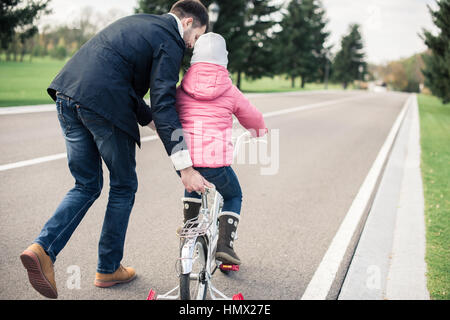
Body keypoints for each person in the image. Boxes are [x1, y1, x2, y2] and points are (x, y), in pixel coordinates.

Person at [20, 0, 211, 299]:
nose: (191, 46)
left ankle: (41, 249)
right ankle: (108, 267)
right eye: (196, 37)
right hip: (102, 104)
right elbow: (163, 103)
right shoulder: (172, 39)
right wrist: (185, 168)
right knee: (123, 185)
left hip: (67, 94)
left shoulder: (139, 24)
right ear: (187, 23)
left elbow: (122, 84)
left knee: (86, 184)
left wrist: (158, 129)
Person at [174, 32, 267, 265]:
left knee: (192, 183)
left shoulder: (181, 88)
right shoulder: (229, 90)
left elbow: (166, 111)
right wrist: (259, 132)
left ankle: (190, 228)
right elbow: (252, 117)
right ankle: (225, 245)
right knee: (233, 195)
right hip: (215, 163)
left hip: (185, 161)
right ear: (224, 61)